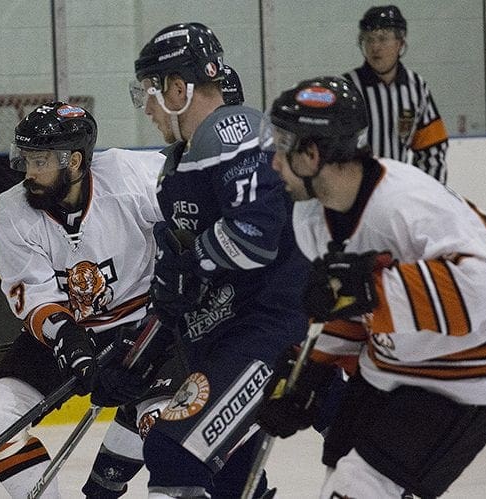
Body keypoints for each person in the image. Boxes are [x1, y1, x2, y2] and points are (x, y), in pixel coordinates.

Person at [257, 75, 486, 498]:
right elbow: (346, 305)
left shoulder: (404, 203)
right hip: (395, 359)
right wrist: (310, 371)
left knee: (360, 486)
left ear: (312, 154)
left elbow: (482, 286)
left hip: (473, 363)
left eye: (283, 146)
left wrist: (370, 287)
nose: (274, 162)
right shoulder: (310, 217)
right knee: (339, 468)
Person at [0, 101, 184, 498]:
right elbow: (35, 296)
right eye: (26, 160)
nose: (30, 173)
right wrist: (68, 340)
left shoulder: (129, 175)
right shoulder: (12, 210)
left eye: (41, 162)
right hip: (72, 330)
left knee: (164, 423)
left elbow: (196, 208)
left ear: (75, 161)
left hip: (148, 329)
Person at [130, 22, 310, 498]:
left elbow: (255, 236)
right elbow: (185, 277)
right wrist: (136, 355)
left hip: (270, 330)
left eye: (149, 91)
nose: (146, 107)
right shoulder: (179, 162)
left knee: (174, 453)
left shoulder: (232, 131)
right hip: (226, 335)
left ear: (178, 88)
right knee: (233, 478)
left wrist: (189, 265)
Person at [343, 5, 449, 184]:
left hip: (397, 190)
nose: (375, 47)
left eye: (383, 39)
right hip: (355, 192)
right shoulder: (348, 89)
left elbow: (432, 150)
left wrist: (426, 191)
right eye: (369, 39)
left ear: (400, 43)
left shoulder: (416, 87)